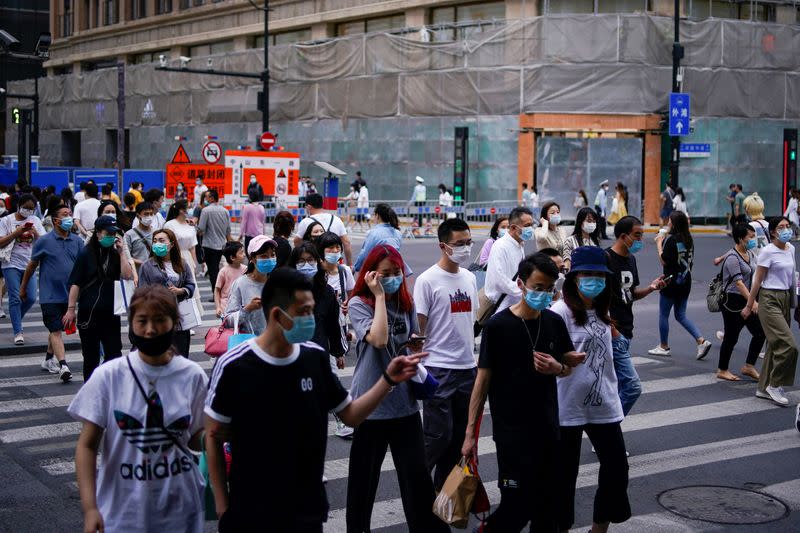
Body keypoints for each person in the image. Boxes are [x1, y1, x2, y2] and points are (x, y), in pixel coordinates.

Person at [205, 268, 427, 532]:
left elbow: (351, 415)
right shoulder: (234, 365)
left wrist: (388, 380)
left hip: (307, 506)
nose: (311, 319)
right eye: (305, 312)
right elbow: (213, 436)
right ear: (277, 315)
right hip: (252, 507)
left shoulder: (314, 358)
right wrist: (222, 505)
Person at [461, 253, 585, 532]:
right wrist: (470, 435)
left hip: (549, 431)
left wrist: (559, 367)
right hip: (512, 436)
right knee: (516, 507)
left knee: (545, 509)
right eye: (538, 287)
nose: (544, 294)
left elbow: (565, 367)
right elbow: (481, 383)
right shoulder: (498, 326)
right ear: (521, 283)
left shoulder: (553, 322)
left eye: (549, 288)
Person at [70, 285, 208, 533]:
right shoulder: (108, 376)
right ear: (131, 323)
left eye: (159, 320)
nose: (150, 330)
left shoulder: (192, 375)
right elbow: (87, 445)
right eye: (142, 321)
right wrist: (90, 508)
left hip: (181, 508)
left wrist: (221, 435)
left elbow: (196, 439)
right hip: (123, 512)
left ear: (175, 322)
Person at [345, 245, 449, 533]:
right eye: (385, 273)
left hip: (404, 403)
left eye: (396, 272)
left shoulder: (407, 303)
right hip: (371, 404)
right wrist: (379, 296)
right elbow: (378, 339)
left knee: (417, 482)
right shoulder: (359, 304)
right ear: (371, 275)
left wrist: (415, 343)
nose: (392, 278)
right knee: (362, 487)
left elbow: (411, 337)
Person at [551, 246, 631, 533]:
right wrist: (562, 361)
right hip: (567, 406)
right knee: (563, 477)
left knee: (617, 470)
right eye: (587, 274)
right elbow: (543, 357)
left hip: (603, 402)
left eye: (599, 275)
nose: (594, 281)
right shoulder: (559, 312)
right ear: (574, 278)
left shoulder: (602, 307)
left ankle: (599, 529)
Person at [413, 218, 478, 491]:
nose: (465, 248)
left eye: (468, 242)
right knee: (438, 436)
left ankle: (443, 495)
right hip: (438, 368)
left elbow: (470, 321)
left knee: (458, 442)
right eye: (459, 244)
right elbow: (419, 328)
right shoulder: (427, 280)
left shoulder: (471, 277)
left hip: (467, 368)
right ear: (443, 246)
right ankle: (416, 485)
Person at [607, 216, 666, 416]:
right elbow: (598, 300)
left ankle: (605, 437)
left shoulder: (630, 259)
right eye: (637, 235)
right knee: (632, 387)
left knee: (615, 388)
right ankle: (608, 430)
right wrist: (612, 330)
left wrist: (651, 288)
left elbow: (630, 294)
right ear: (623, 236)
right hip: (613, 334)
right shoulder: (606, 259)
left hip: (626, 331)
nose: (640, 240)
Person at [64, 216, 134, 381]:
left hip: (111, 313)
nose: (111, 236)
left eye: (114, 233)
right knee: (90, 356)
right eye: (107, 233)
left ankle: (108, 387)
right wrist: (70, 309)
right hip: (89, 313)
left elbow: (127, 275)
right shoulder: (85, 253)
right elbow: (76, 283)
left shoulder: (116, 253)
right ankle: (90, 390)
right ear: (98, 233)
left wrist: (122, 252)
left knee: (114, 353)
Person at [20, 201, 82, 381]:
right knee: (55, 330)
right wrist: (23, 288)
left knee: (57, 329)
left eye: (70, 213)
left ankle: (48, 359)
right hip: (49, 295)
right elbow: (31, 267)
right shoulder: (44, 241)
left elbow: (82, 267)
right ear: (55, 220)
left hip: (69, 295)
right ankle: (63, 365)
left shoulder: (77, 241)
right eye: (65, 214)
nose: (69, 217)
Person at [743, 216, 798, 407]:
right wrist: (750, 305)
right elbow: (757, 280)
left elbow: (792, 277)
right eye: (781, 227)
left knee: (775, 346)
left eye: (788, 226)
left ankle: (762, 387)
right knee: (789, 345)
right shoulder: (767, 251)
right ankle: (775, 384)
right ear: (773, 232)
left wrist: (795, 302)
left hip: (785, 298)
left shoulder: (791, 248)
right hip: (769, 299)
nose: (786, 230)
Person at [650, 211, 712, 359]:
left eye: (670, 221)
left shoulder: (671, 240)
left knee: (664, 314)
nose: (668, 223)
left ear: (674, 224)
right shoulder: (688, 238)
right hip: (685, 281)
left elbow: (664, 260)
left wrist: (659, 243)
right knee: (681, 314)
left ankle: (663, 346)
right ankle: (701, 341)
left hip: (670, 282)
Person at [716, 224, 765, 382]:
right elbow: (739, 283)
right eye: (750, 236)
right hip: (732, 300)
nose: (753, 239)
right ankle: (722, 369)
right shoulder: (732, 257)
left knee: (760, 332)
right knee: (731, 337)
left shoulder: (749, 254)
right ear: (740, 238)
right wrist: (753, 303)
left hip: (746, 298)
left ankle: (749, 366)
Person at [138, 228, 196, 356]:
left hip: (180, 319)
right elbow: (141, 293)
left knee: (180, 356)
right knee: (160, 356)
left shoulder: (182, 263)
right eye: (155, 241)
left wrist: (181, 291)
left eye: (161, 240)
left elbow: (191, 284)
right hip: (157, 318)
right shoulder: (147, 266)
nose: (157, 243)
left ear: (172, 244)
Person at [287, 243, 347, 363]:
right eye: (301, 261)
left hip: (319, 352)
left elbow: (333, 324)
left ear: (317, 262)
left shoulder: (327, 292)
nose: (306, 265)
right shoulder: (286, 292)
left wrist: (338, 353)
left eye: (310, 260)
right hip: (292, 355)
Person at [0, 194, 46, 345]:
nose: (29, 211)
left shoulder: (36, 221)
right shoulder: (6, 221)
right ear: (19, 205)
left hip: (29, 264)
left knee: (31, 297)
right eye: (26, 208)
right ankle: (18, 332)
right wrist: (16, 232)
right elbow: (1, 243)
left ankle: (16, 318)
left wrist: (35, 233)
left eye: (32, 209)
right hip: (10, 263)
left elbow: (44, 242)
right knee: (14, 297)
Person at [224, 235, 277, 335]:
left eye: (272, 255)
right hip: (249, 345)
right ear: (252, 258)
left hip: (274, 345)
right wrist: (248, 309)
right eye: (264, 256)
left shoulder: (278, 283)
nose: (269, 259)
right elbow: (227, 321)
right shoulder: (241, 284)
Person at [485, 206, 534, 314]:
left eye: (531, 225)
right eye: (527, 226)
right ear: (513, 228)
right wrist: (525, 291)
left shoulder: (519, 244)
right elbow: (499, 281)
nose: (530, 229)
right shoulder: (500, 246)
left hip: (515, 304)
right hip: (502, 307)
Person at [295, 193, 353, 265]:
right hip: (335, 262)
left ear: (308, 206)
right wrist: (350, 265)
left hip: (315, 263)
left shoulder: (306, 222)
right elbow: (347, 243)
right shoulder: (336, 219)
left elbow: (297, 241)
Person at [198, 189, 232, 296]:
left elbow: (201, 229)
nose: (205, 199)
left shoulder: (206, 211)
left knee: (213, 271)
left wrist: (194, 227)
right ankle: (220, 292)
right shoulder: (225, 211)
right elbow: (228, 230)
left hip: (209, 245)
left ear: (212, 198)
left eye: (207, 197)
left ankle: (216, 294)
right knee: (216, 268)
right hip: (221, 245)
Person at [354, 203, 404, 273]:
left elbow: (364, 254)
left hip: (380, 271)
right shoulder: (398, 233)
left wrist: (356, 268)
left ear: (377, 216)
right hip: (396, 269)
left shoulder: (374, 233)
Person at [165, 199, 199, 277]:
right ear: (181, 210)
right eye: (189, 207)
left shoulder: (190, 225)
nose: (191, 210)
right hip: (174, 257)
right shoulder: (169, 225)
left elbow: (192, 247)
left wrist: (194, 263)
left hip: (188, 258)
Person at [215, 241, 247, 318]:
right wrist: (218, 307)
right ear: (232, 257)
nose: (244, 255)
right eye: (241, 253)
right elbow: (217, 290)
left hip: (242, 307)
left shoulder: (246, 269)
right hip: (226, 307)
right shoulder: (223, 271)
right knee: (228, 329)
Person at [562, 207, 601, 271]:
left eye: (594, 221)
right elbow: (567, 261)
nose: (592, 224)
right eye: (589, 221)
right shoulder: (570, 240)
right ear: (580, 222)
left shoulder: (596, 241)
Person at [124, 201, 156, 271]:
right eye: (146, 214)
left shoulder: (156, 233)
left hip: (154, 273)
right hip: (137, 273)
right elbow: (126, 256)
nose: (149, 217)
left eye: (151, 214)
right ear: (138, 216)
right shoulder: (129, 234)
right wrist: (143, 263)